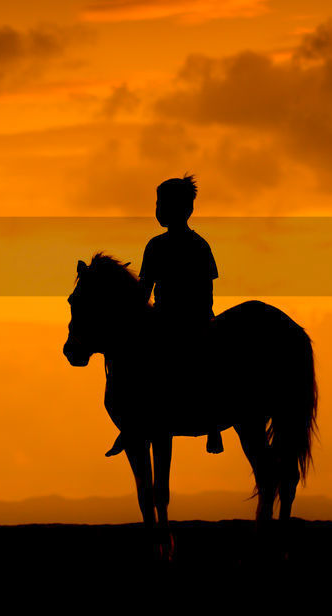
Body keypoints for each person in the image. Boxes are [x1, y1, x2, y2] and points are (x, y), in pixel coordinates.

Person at [106, 175, 222, 457]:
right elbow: (207, 290)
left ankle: (133, 421)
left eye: (161, 204)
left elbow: (144, 292)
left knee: (139, 365)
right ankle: (214, 426)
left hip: (173, 319)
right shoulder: (199, 244)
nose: (158, 209)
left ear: (182, 209)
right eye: (157, 203)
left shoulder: (158, 246)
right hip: (196, 317)